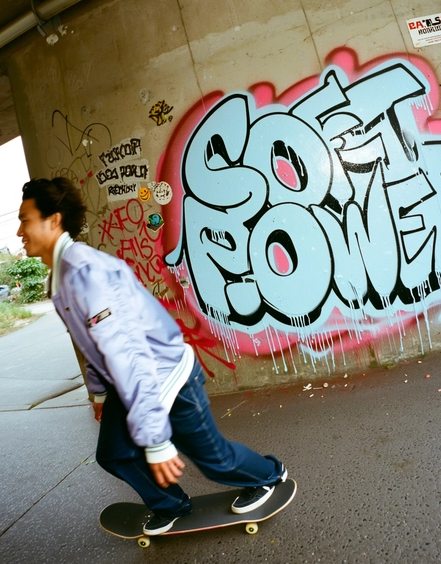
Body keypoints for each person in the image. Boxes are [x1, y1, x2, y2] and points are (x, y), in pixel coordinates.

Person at [17, 177, 287, 535]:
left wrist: (156, 440)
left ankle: (270, 473)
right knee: (113, 453)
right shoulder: (63, 275)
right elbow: (91, 345)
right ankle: (171, 503)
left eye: (25, 219)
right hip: (129, 382)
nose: (19, 230)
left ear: (53, 220)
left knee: (214, 461)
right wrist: (99, 393)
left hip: (166, 376)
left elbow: (129, 354)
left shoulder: (86, 273)